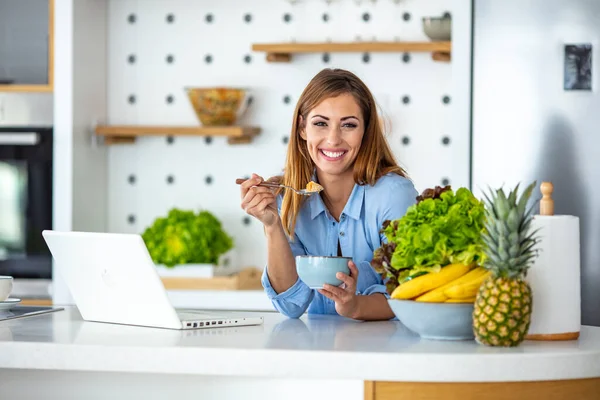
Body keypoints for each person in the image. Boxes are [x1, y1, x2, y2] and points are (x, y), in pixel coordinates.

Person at [240, 68, 418, 321]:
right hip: (316, 350)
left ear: (365, 132)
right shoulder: (287, 196)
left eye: (348, 125)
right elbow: (291, 305)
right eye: (320, 123)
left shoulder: (394, 195)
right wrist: (272, 226)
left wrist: (355, 306)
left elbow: (407, 295)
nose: (333, 139)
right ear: (302, 128)